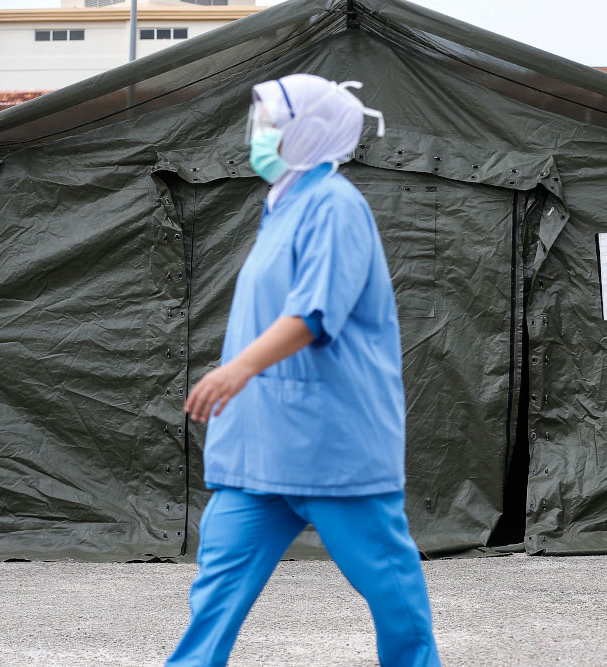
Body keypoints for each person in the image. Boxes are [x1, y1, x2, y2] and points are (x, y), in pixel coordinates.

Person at [164, 74, 441, 667]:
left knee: (390, 592)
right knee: (215, 595)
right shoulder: (281, 207)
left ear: (310, 132)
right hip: (258, 451)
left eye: (272, 124)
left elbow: (313, 313)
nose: (259, 135)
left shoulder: (336, 206)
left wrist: (235, 370)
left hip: (331, 446)